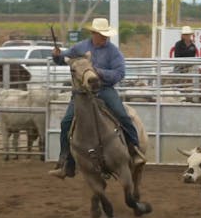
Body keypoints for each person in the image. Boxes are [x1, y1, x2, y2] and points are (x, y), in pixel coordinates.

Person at [48, 18, 146, 179]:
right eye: (101, 34)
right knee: (66, 122)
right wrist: (56, 55)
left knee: (122, 115)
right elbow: (64, 59)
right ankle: (66, 162)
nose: (104, 37)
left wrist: (97, 72)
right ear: (93, 33)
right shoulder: (80, 47)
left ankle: (134, 151)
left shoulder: (113, 52)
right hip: (82, 93)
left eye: (105, 34)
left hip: (104, 89)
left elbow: (119, 73)